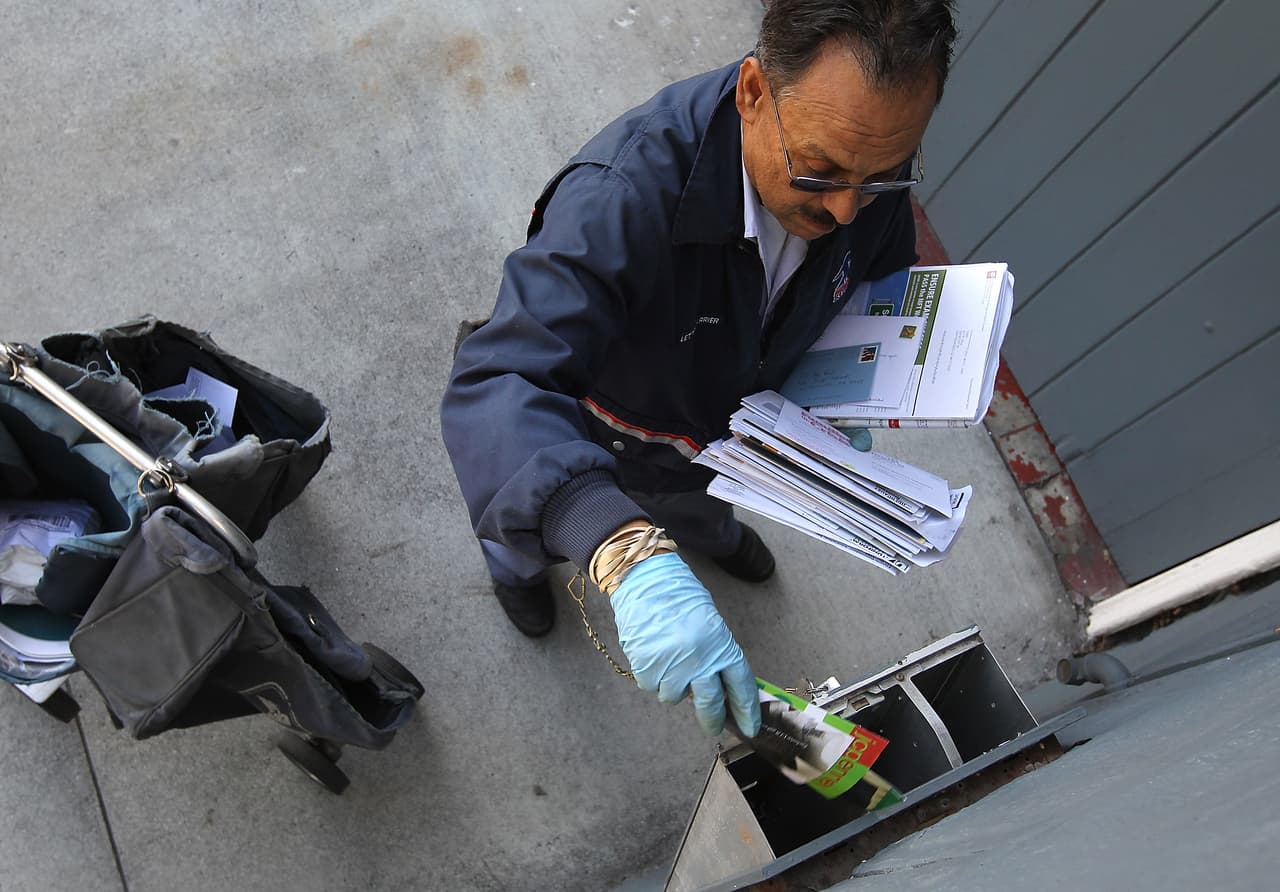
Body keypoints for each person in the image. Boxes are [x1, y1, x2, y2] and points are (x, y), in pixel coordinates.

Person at [441, 0, 957, 739]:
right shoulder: (618, 198)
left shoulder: (858, 152)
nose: (848, 209)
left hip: (722, 441)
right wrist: (616, 544)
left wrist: (849, 383)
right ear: (753, 93)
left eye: (883, 178)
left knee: (697, 508)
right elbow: (500, 384)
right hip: (604, 434)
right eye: (820, 174)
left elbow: (875, 265)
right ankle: (516, 573)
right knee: (529, 521)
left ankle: (708, 534)